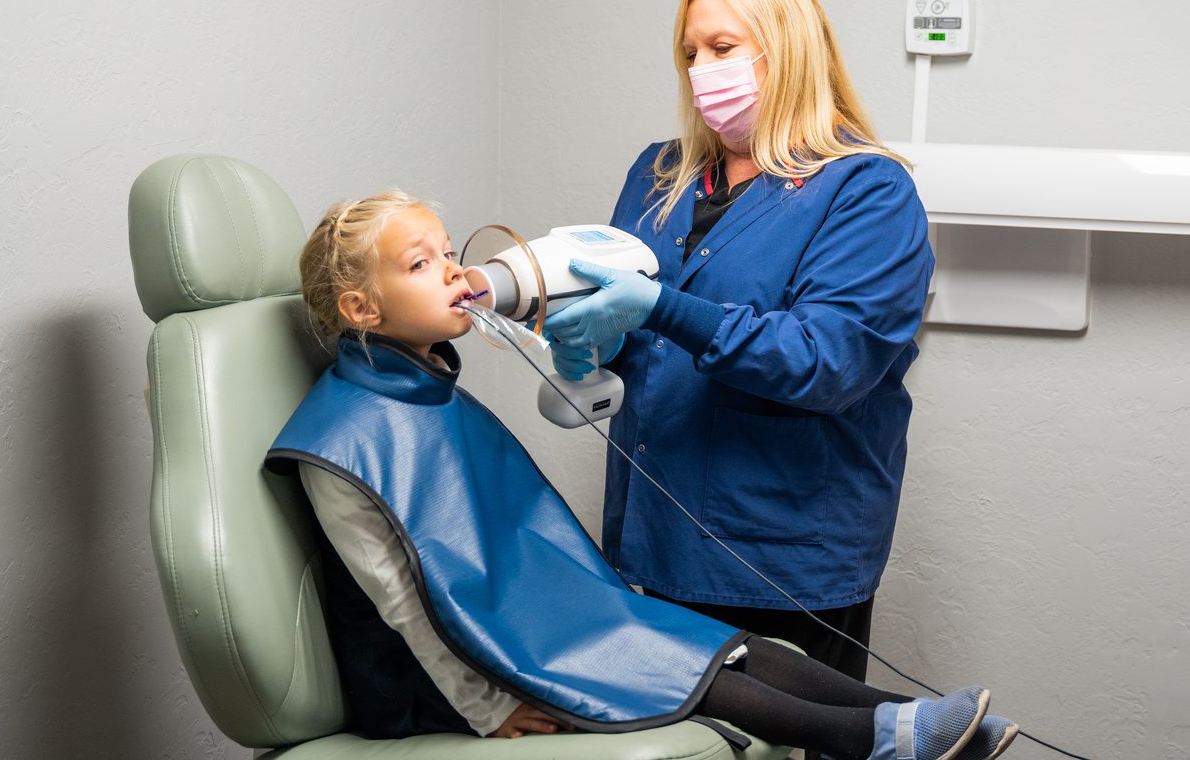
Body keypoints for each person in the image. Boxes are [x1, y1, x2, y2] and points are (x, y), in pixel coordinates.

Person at [267, 192, 1019, 760]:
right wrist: (485, 708)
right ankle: (882, 743)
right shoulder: (342, 440)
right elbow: (402, 602)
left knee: (732, 645)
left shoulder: (423, 383)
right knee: (669, 661)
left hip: (518, 622)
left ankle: (908, 721)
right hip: (436, 678)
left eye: (445, 249)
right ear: (361, 308)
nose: (457, 271)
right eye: (421, 264)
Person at [543, 0, 933, 683]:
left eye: (722, 49)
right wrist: (593, 339)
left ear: (786, 51)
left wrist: (663, 307)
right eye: (690, 53)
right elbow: (640, 345)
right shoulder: (660, 175)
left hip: (784, 554)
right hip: (652, 537)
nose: (700, 70)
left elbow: (826, 360)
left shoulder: (866, 190)